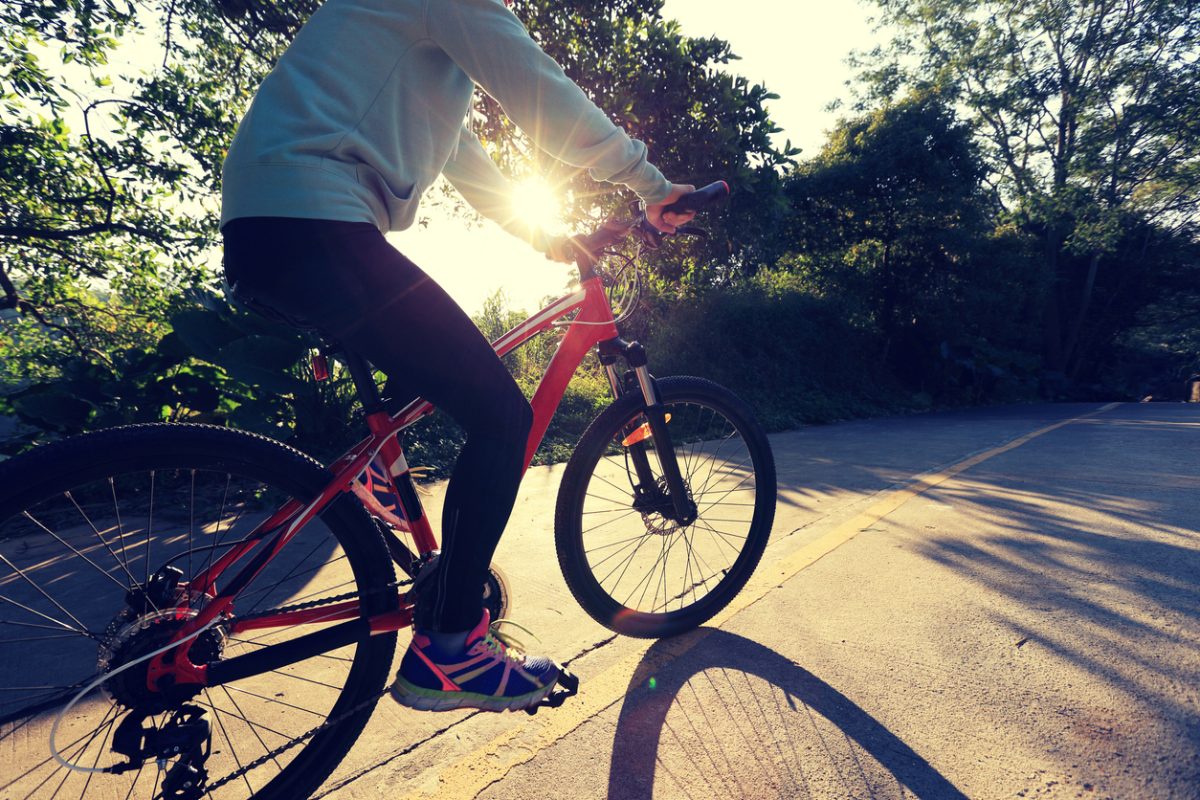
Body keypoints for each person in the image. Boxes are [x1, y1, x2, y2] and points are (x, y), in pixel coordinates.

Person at [220, 0, 695, 713]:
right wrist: (652, 186)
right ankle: (451, 650)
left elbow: (470, 167)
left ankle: (371, 480)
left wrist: (553, 240)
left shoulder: (425, 58)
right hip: (314, 219)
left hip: (277, 223)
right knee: (502, 416)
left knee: (443, 375)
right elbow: (541, 94)